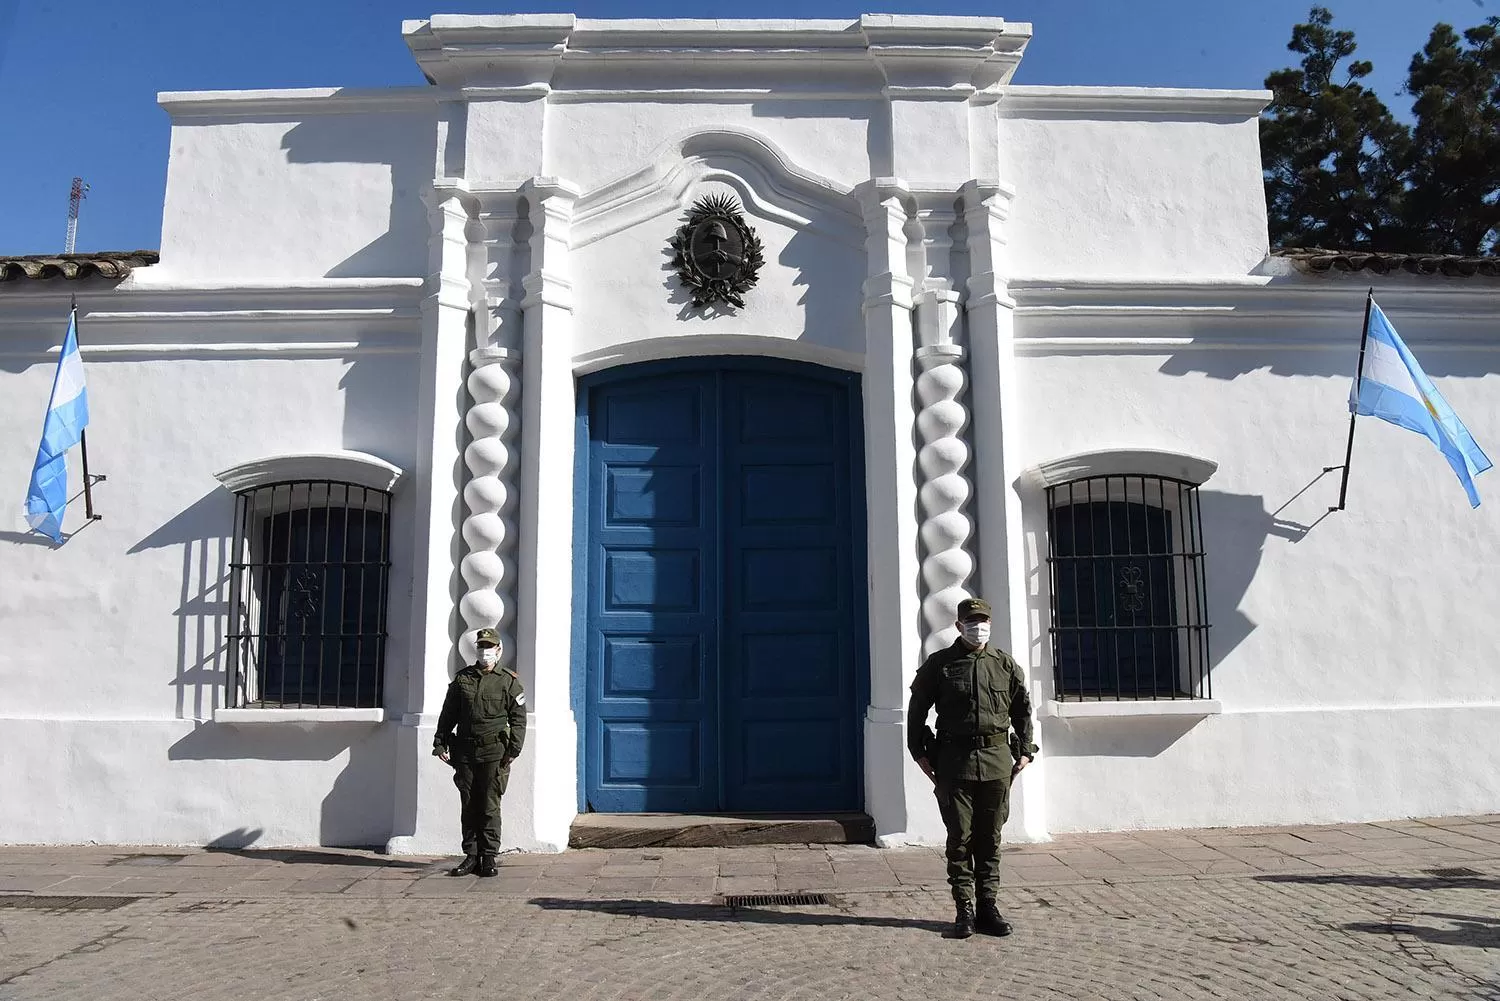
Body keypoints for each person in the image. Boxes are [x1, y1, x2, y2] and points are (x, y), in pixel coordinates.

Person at [907, 597, 1038, 939]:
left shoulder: (1004, 664)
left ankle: (987, 907)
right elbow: (917, 710)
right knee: (960, 839)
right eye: (971, 621)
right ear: (959, 625)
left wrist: (1025, 750)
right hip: (955, 762)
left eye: (983, 621)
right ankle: (963, 908)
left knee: (990, 838)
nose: (977, 627)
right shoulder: (941, 665)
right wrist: (919, 752)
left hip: (996, 763)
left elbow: (1023, 711)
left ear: (990, 625)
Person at [433, 628, 527, 877]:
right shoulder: (463, 679)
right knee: (469, 804)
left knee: (489, 805)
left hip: (494, 752)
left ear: (498, 650)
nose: (485, 651)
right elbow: (448, 713)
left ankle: (489, 856)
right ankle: (471, 855)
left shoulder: (508, 681)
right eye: (481, 646)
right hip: (464, 751)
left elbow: (518, 719)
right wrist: (440, 742)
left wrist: (514, 749)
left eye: (490, 646)